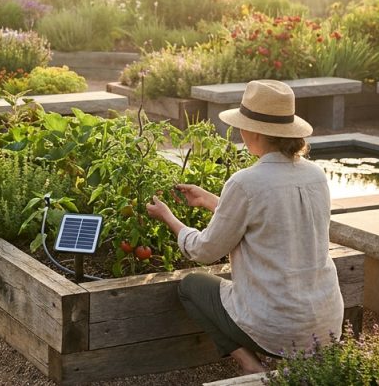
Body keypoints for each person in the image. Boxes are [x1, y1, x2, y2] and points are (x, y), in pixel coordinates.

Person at [146, 79, 343, 374]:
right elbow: (275, 220)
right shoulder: (316, 175)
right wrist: (211, 200)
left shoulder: (245, 182)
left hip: (277, 328)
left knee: (191, 287)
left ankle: (251, 367)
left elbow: (204, 251)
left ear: (253, 132)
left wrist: (169, 218)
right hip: (326, 323)